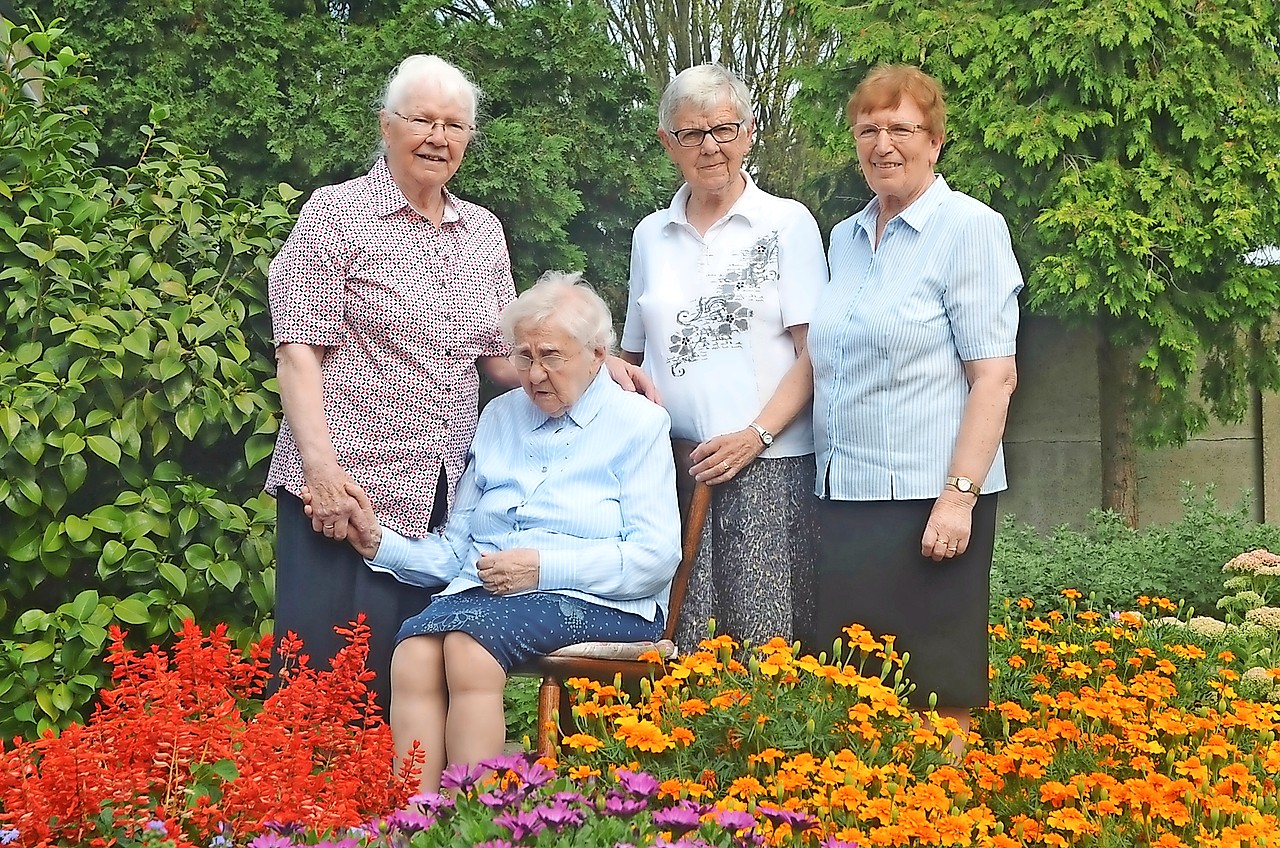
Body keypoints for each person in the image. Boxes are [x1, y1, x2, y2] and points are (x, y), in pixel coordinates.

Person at [266, 55, 653, 709]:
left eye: (454, 125)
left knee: (404, 682)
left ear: (469, 139)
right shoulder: (335, 216)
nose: (438, 137)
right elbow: (298, 351)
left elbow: (501, 361)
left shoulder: (482, 232)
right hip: (346, 487)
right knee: (322, 684)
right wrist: (321, 471)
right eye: (422, 120)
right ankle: (305, 812)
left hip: (440, 495)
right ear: (387, 126)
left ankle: (404, 808)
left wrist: (591, 364)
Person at [312, 272, 680, 792]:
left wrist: (542, 568)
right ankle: (414, 817)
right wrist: (378, 541)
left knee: (468, 647)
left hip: (602, 598)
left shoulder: (638, 425)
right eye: (524, 356)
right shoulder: (499, 416)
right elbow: (461, 549)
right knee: (413, 654)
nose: (534, 374)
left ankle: (477, 819)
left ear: (597, 354)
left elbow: (655, 557)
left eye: (552, 355)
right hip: (489, 596)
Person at [808, 65, 1022, 758]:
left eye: (901, 128)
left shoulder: (970, 230)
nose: (883, 144)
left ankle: (938, 817)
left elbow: (994, 377)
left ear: (935, 142)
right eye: (868, 129)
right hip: (845, 496)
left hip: (931, 502)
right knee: (855, 684)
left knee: (937, 683)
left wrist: (958, 498)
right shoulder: (843, 238)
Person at [620, 64, 828, 652]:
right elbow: (632, 354)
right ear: (669, 144)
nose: (710, 146)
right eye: (691, 134)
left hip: (770, 463)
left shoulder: (787, 223)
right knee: (676, 643)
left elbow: (815, 356)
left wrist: (755, 434)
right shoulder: (649, 236)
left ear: (750, 132)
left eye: (724, 129)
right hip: (673, 470)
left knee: (765, 648)